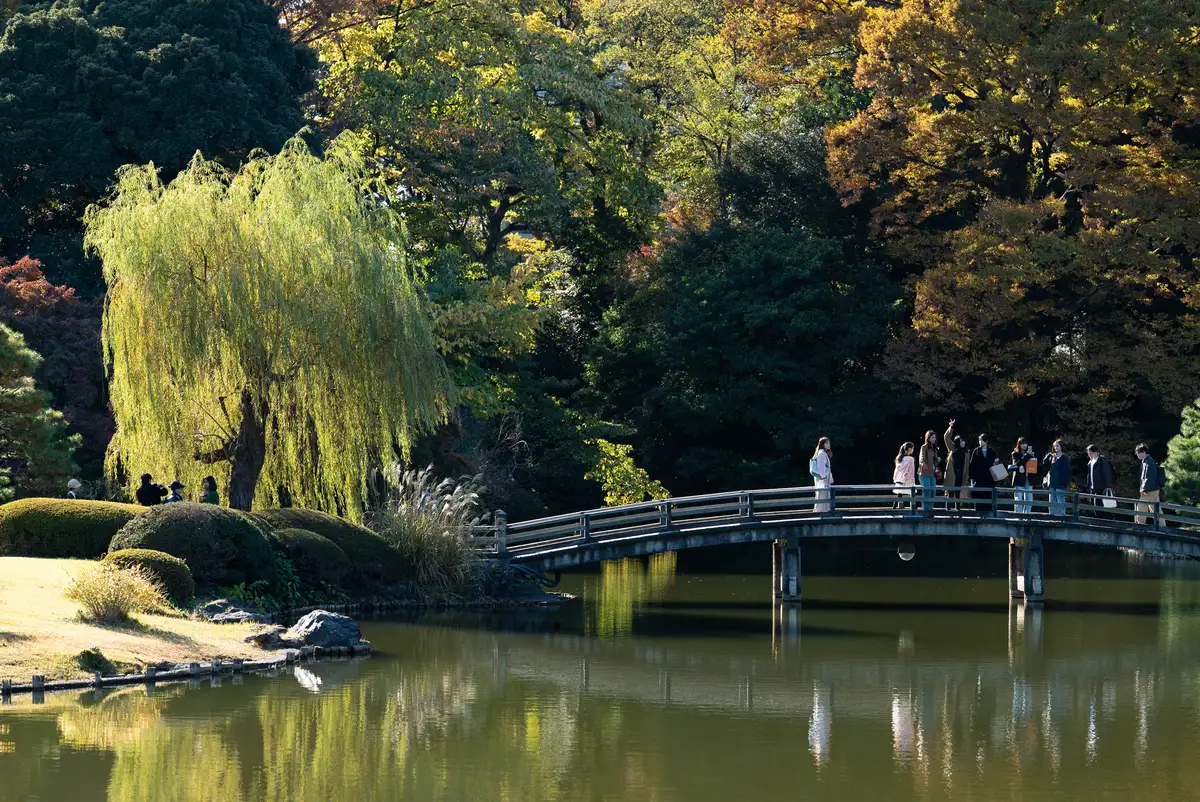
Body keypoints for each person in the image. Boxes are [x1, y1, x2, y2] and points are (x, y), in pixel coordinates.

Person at [969, 434, 1002, 513]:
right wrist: (972, 478)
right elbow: (971, 466)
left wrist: (996, 462)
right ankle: (978, 516)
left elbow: (996, 466)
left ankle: (989, 518)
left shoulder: (992, 452)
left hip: (989, 479)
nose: (980, 442)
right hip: (978, 480)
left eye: (982, 440)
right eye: (979, 440)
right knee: (979, 501)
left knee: (989, 501)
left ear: (986, 441)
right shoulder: (976, 451)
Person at [1135, 444, 1162, 526]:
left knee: (1141, 507)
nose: (1137, 455)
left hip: (1149, 490)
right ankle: (1162, 526)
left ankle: (1140, 526)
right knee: (1155, 509)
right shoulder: (1149, 461)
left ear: (1143, 452)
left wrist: (1144, 489)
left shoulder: (1148, 462)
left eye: (1138, 453)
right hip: (1154, 489)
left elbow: (1148, 478)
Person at [1086, 445, 1116, 517]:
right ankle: (1099, 521)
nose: (1089, 455)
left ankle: (1103, 521)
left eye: (1091, 453)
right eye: (1088, 453)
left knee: (1099, 505)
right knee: (1093, 504)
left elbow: (1107, 473)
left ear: (1096, 452)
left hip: (1101, 487)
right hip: (1093, 487)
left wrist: (1109, 485)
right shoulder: (1090, 462)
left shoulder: (1102, 461)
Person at [1044, 439, 1072, 516]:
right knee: (1052, 499)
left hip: (1060, 482)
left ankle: (1062, 515)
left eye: (1057, 446)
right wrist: (1047, 457)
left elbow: (1066, 471)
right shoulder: (1052, 457)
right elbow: (1045, 466)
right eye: (1055, 446)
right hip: (1052, 481)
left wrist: (1063, 482)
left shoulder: (1065, 458)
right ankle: (1052, 514)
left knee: (1060, 499)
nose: (1056, 447)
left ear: (1061, 447)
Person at [1010, 438, 1036, 514]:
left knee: (1029, 498)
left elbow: (1034, 465)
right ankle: (1018, 515)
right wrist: (1027, 455)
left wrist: (1032, 456)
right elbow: (1017, 463)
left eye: (1025, 443)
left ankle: (1027, 514)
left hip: (1029, 477)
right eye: (1022, 444)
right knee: (1018, 497)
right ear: (1019, 444)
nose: (1024, 445)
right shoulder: (1015, 453)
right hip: (1019, 478)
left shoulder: (1030, 453)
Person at [918, 430, 940, 513]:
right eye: (932, 437)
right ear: (928, 438)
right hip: (924, 473)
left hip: (932, 473)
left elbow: (934, 462)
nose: (934, 439)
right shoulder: (924, 447)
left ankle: (930, 511)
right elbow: (922, 457)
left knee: (933, 493)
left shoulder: (934, 448)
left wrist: (938, 460)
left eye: (935, 437)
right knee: (927, 491)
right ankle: (926, 511)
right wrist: (923, 462)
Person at [892, 442, 917, 511]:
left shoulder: (899, 458)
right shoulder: (911, 459)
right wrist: (913, 480)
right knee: (912, 494)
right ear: (909, 449)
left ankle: (894, 508)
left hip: (900, 479)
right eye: (912, 448)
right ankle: (913, 509)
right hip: (908, 479)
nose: (913, 450)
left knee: (899, 494)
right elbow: (911, 471)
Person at [811, 437, 833, 513]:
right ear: (822, 444)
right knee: (822, 495)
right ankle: (821, 513)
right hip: (822, 479)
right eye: (826, 443)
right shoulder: (821, 453)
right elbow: (821, 467)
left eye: (829, 443)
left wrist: (830, 477)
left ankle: (823, 511)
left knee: (823, 495)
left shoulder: (823, 453)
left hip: (823, 478)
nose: (828, 445)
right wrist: (824, 477)